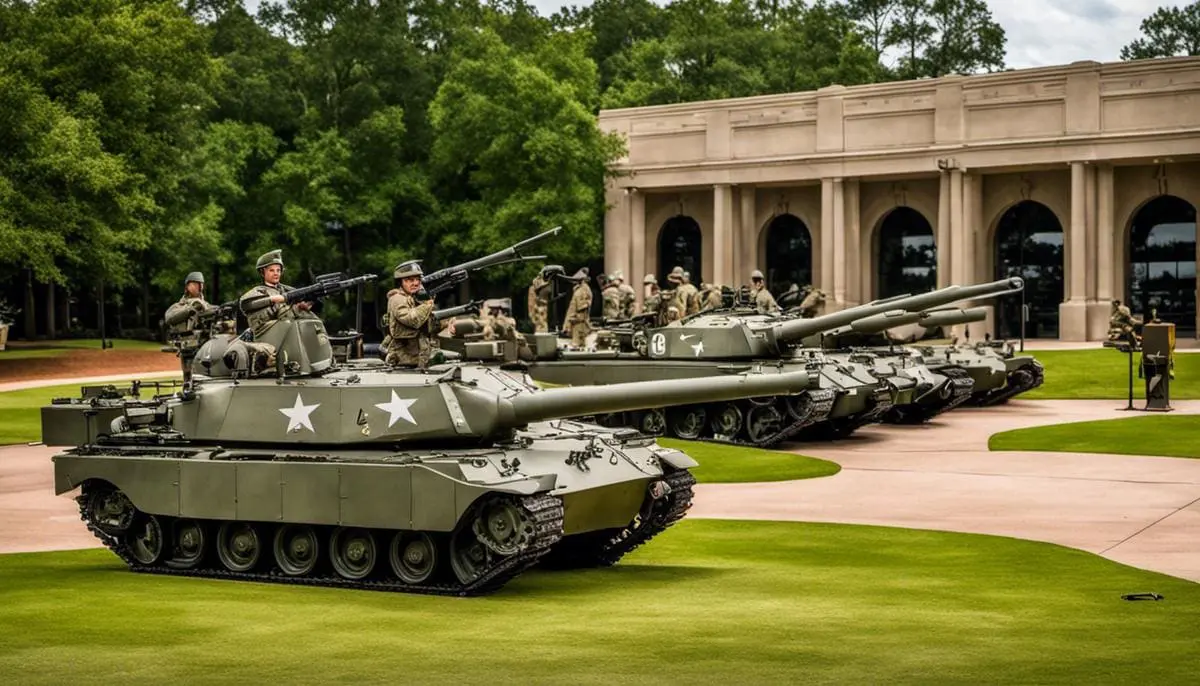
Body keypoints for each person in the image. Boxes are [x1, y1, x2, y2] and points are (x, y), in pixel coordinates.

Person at [238, 250, 316, 339]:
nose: (276, 273)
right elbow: (245, 304)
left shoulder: (287, 290)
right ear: (262, 272)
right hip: (268, 335)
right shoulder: (258, 291)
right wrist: (273, 299)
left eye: (278, 270)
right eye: (272, 270)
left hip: (292, 334)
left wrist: (305, 305)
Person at [385, 260, 442, 368]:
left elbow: (432, 323)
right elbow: (412, 319)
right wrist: (427, 305)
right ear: (400, 282)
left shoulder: (418, 299)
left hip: (422, 360)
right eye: (410, 280)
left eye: (418, 279)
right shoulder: (397, 299)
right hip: (403, 362)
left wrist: (448, 323)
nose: (416, 283)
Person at [163, 271, 210, 383]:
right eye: (194, 283)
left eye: (200, 283)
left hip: (206, 348)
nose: (198, 286)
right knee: (189, 379)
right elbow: (169, 318)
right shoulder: (179, 306)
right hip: (188, 349)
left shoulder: (207, 306)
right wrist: (190, 310)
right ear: (187, 286)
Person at [565, 269, 593, 348]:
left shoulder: (583, 290)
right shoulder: (579, 289)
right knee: (576, 344)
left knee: (577, 345)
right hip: (576, 321)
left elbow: (582, 307)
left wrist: (575, 319)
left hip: (579, 322)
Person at [528, 267, 554, 333]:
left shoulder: (546, 287)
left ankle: (542, 331)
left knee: (542, 322)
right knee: (540, 322)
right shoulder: (533, 289)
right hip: (538, 308)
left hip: (541, 308)